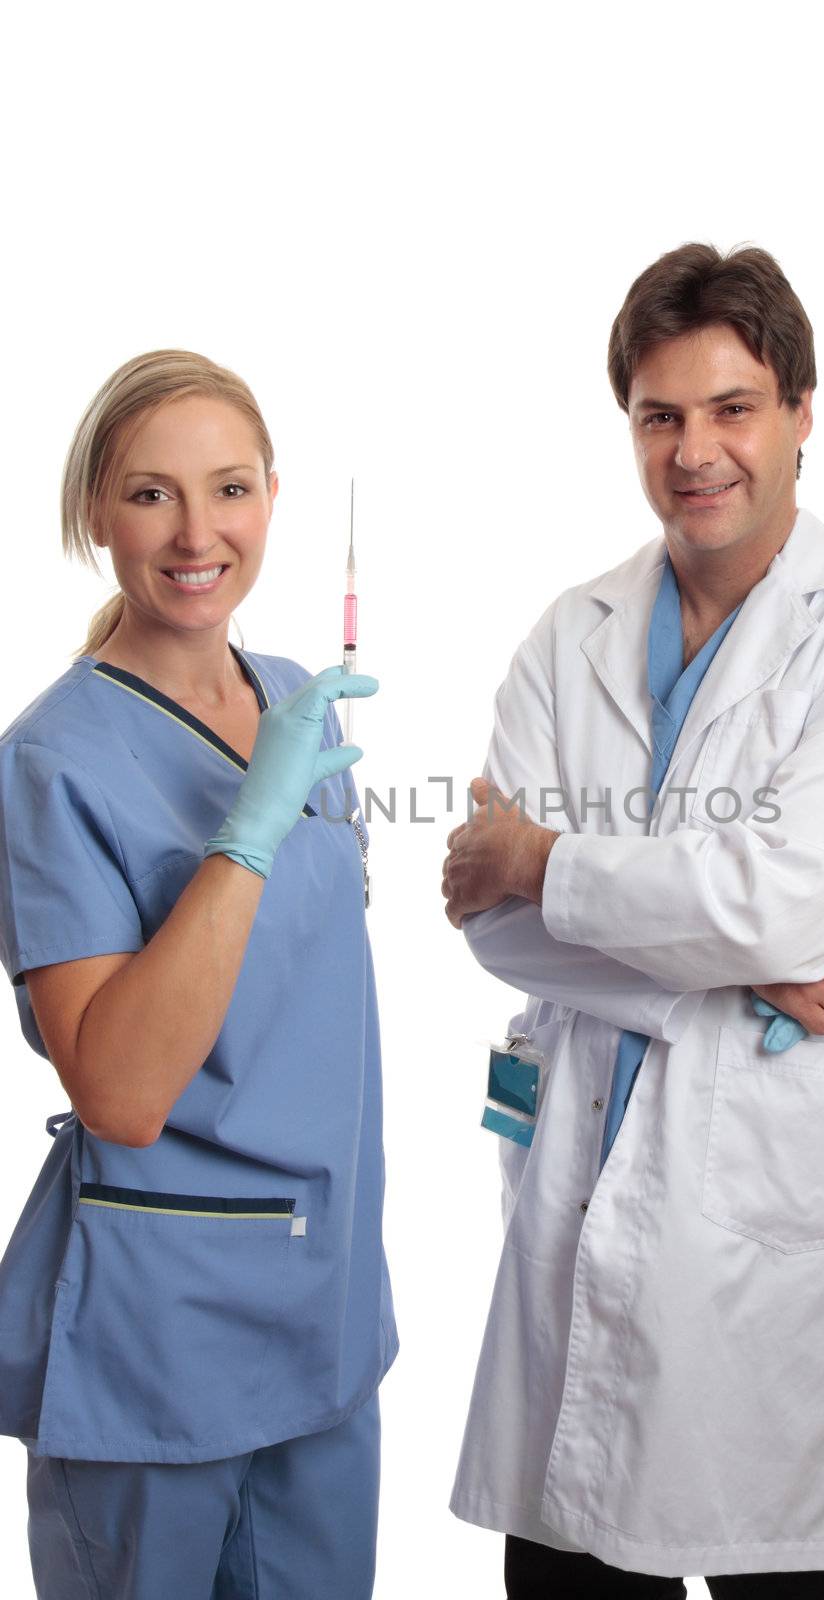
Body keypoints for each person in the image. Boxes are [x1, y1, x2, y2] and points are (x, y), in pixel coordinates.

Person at [441, 244, 824, 1597]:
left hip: (773, 1230)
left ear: (798, 411)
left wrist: (543, 857)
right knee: (565, 1575)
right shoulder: (572, 633)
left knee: (781, 1563)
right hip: (582, 1194)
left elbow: (777, 898)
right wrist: (730, 975)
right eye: (659, 416)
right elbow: (487, 920)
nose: (695, 450)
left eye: (732, 407)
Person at [0, 351, 397, 1599]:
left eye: (228, 489)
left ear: (272, 498)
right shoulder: (52, 761)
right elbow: (118, 1088)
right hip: (163, 1329)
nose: (195, 533)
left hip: (324, 1304)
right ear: (93, 514)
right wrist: (247, 831)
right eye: (149, 494)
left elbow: (311, 990)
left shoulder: (298, 704)